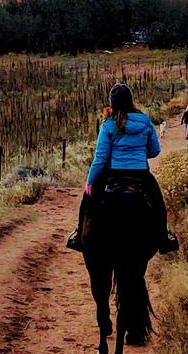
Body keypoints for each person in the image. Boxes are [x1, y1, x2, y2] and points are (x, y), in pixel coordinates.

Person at [67, 83, 175, 252]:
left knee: (87, 201)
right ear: (131, 100)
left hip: (111, 172)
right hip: (140, 173)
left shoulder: (108, 125)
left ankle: (78, 235)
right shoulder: (145, 121)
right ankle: (164, 238)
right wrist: (138, 153)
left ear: (112, 102)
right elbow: (154, 150)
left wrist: (90, 182)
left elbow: (100, 158)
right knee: (158, 203)